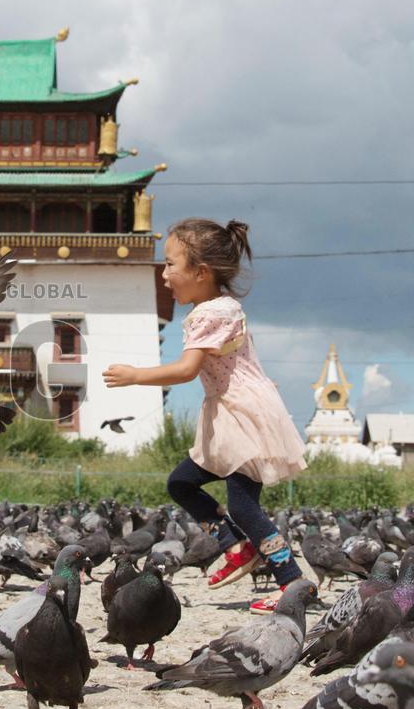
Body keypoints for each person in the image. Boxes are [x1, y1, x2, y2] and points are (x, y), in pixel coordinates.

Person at [102, 218, 306, 615]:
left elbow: (186, 369)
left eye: (171, 264)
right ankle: (236, 546)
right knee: (181, 483)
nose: (164, 275)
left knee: (244, 504)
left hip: (242, 415)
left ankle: (291, 580)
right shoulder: (212, 309)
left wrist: (135, 376)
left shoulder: (213, 313)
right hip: (226, 413)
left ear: (201, 272)